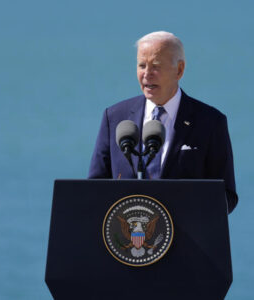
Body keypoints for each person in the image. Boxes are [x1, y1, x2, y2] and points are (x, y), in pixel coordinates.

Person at [88, 31, 238, 213]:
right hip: (127, 237)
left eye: (156, 66)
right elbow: (94, 188)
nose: (147, 74)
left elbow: (226, 195)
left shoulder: (210, 122)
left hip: (187, 238)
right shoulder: (115, 117)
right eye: (142, 65)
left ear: (179, 70)